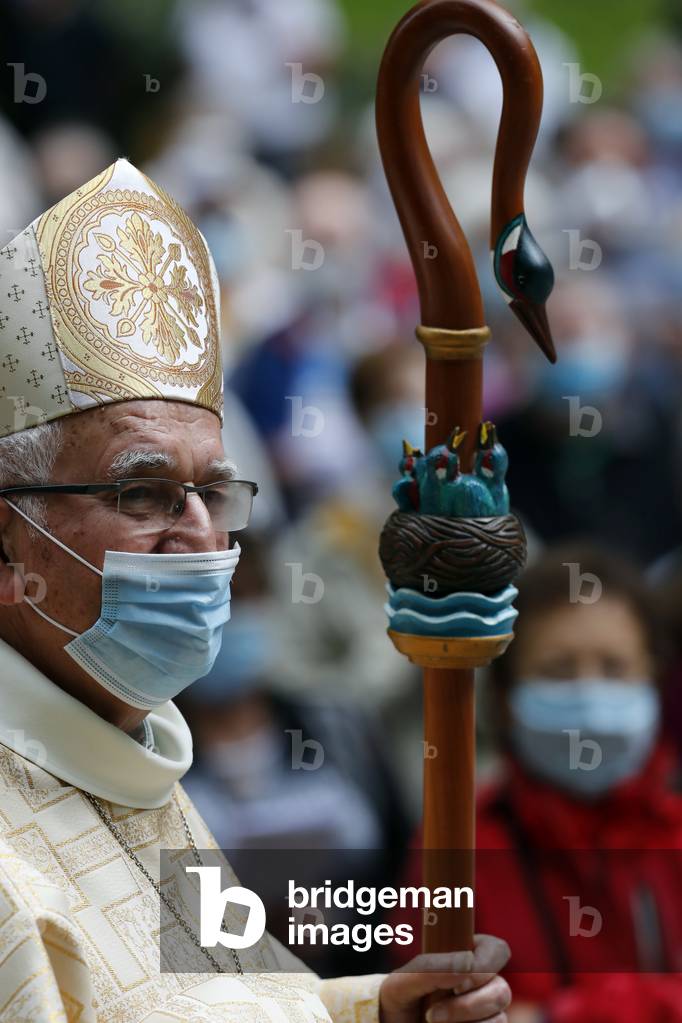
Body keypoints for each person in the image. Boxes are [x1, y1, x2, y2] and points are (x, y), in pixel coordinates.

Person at [0, 159, 511, 1022]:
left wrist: (381, 1011)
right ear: (10, 542)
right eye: (142, 490)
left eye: (215, 491)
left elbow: (251, 998)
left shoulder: (134, 759)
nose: (201, 533)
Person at [392, 543, 682, 1022]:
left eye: (614, 668)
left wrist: (554, 1015)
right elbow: (426, 1007)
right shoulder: (456, 849)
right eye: (558, 670)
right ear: (506, 698)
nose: (590, 693)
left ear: (654, 681)